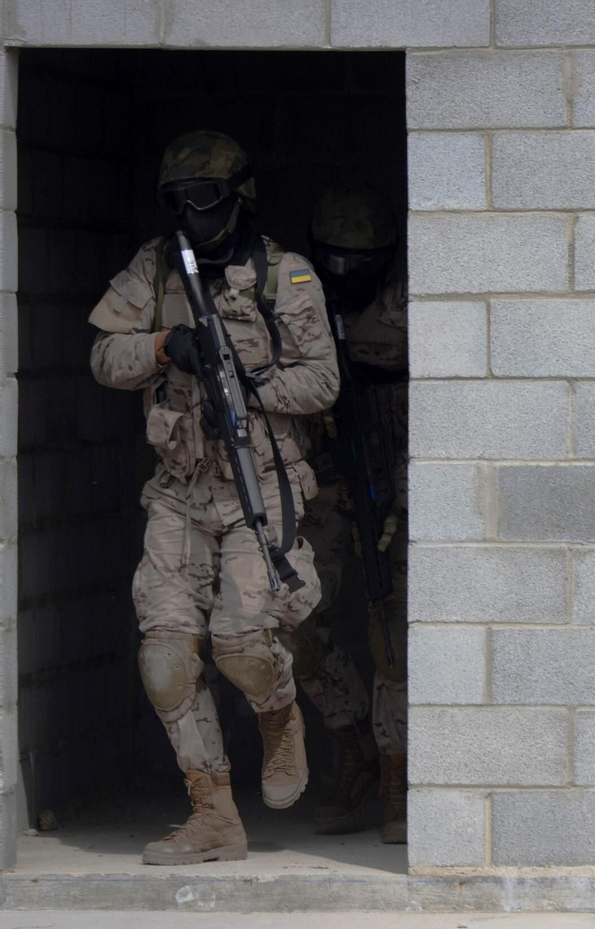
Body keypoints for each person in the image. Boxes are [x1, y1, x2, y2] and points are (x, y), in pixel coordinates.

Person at [88, 130, 339, 864]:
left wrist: (247, 382)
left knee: (240, 644)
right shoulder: (157, 267)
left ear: (236, 199)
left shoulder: (283, 276)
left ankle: (279, 717)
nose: (191, 216)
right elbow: (104, 353)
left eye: (203, 201)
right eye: (177, 202)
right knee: (165, 655)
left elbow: (322, 380)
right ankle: (213, 812)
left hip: (259, 484)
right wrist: (168, 347)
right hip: (178, 491)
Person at [304, 184, 409, 844]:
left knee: (390, 629)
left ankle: (396, 773)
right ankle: (355, 748)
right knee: (286, 625)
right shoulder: (292, 298)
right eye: (334, 260)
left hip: (390, 481)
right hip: (319, 480)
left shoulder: (407, 306)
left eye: (361, 261)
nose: (346, 274)